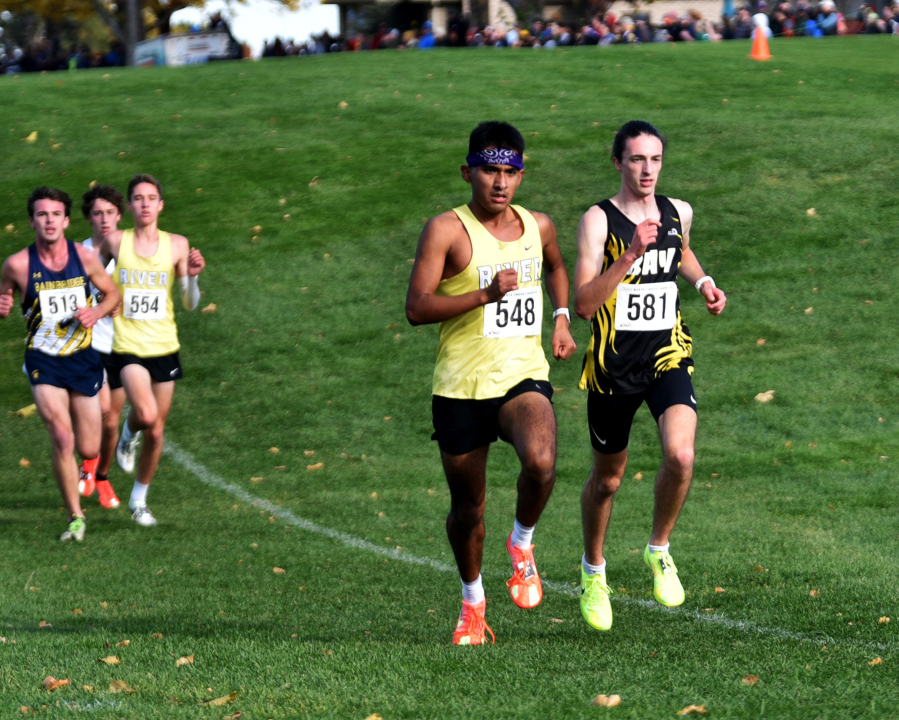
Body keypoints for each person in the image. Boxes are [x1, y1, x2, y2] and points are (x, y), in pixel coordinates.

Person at [406, 121, 577, 645]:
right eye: (488, 171)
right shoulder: (446, 230)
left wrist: (563, 316)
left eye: (509, 172)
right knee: (468, 510)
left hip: (521, 375)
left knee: (542, 461)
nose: (499, 183)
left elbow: (555, 266)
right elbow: (416, 307)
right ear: (468, 172)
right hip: (459, 388)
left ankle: (522, 543)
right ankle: (473, 601)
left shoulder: (538, 225)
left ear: (521, 175)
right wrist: (483, 295)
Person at [572, 121, 726, 631]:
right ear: (617, 162)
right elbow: (584, 304)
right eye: (637, 159)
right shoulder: (598, 222)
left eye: (655, 159)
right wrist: (631, 255)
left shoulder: (678, 211)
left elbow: (678, 249)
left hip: (667, 354)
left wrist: (702, 280)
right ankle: (594, 571)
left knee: (681, 456)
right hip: (613, 365)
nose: (647, 169)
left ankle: (658, 548)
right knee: (608, 479)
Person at [0, 187, 121, 541]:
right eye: (42, 214)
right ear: (32, 221)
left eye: (55, 214)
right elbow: (4, 293)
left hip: (83, 359)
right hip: (43, 361)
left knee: (88, 447)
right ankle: (76, 517)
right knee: (62, 437)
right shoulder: (18, 264)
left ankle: (89, 470)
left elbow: (112, 292)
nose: (49, 221)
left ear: (66, 221)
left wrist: (96, 311)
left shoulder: (84, 258)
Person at [97, 174, 206, 527]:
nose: (145, 204)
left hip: (164, 346)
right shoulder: (115, 241)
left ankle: (139, 500)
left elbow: (189, 303)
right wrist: (101, 299)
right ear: (129, 206)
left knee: (157, 431)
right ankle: (128, 436)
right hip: (127, 346)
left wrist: (192, 277)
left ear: (160, 205)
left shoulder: (177, 245)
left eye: (151, 198)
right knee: (144, 415)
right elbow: (91, 280)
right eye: (138, 198)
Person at [77, 184, 126, 509]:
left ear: (119, 215)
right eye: (98, 213)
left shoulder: (130, 253)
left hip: (122, 344)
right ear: (88, 217)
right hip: (88, 345)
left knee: (112, 422)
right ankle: (87, 465)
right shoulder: (78, 255)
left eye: (110, 213)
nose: (104, 219)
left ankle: (102, 476)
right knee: (101, 410)